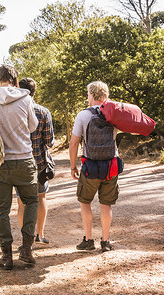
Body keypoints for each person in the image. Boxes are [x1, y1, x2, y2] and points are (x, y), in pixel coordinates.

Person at [0, 65, 39, 270]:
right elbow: (32, 126)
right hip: (24, 160)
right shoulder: (26, 98)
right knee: (31, 202)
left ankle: (6, 255)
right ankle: (27, 249)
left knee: (1, 210)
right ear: (14, 79)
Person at [69, 80, 119, 252]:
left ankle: (88, 240)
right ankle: (105, 242)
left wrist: (72, 167)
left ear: (91, 95)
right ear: (106, 96)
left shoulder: (83, 115)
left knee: (85, 202)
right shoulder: (113, 114)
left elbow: (74, 143)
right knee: (106, 204)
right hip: (111, 165)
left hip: (90, 166)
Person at [16, 78, 54, 245]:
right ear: (34, 91)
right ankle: (40, 234)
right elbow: (49, 142)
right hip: (39, 164)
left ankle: (26, 238)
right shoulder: (43, 112)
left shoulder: (15, 111)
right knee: (41, 198)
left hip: (20, 163)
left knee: (21, 202)